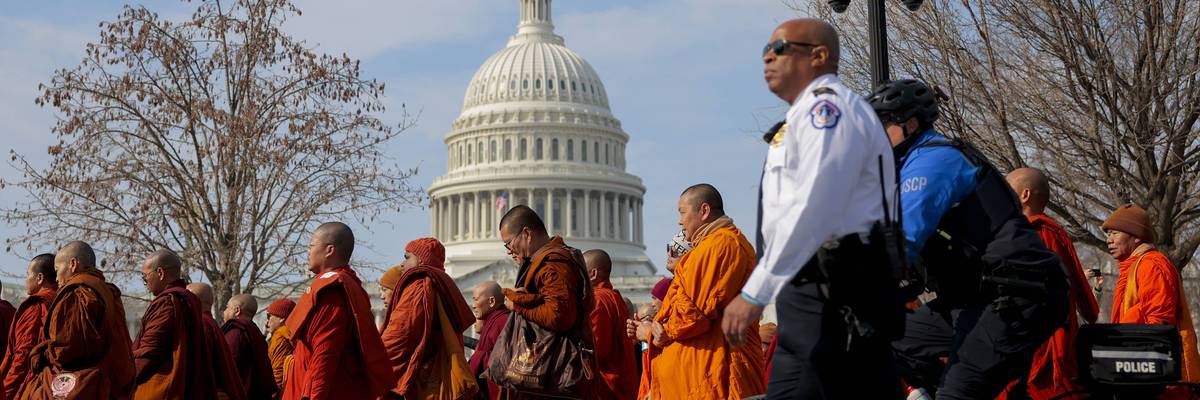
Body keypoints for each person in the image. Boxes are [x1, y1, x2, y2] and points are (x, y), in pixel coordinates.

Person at [720, 18, 903, 399]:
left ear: (819, 56)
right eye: (764, 51)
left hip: (837, 287)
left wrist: (756, 292)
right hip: (810, 287)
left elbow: (815, 207)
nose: (768, 57)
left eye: (780, 48)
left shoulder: (827, 111)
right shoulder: (801, 117)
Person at [867, 77, 1069, 399]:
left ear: (912, 124)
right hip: (972, 296)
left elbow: (901, 241)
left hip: (1017, 294)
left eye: (882, 125)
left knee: (958, 392)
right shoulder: (905, 169)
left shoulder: (933, 163)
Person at [644, 184, 765, 399]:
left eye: (682, 213)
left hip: (713, 372)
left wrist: (657, 332)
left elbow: (691, 315)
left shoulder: (719, 245)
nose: (680, 221)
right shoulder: (717, 245)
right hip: (706, 370)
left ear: (704, 211)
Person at [999, 168, 1098, 399]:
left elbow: (1048, 296)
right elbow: (1088, 306)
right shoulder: (1037, 232)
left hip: (1040, 351)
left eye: (1006, 189)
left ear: (1024, 195)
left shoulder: (1041, 234)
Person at [495, 205, 597, 399]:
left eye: (509, 243)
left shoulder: (553, 263)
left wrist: (517, 304)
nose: (509, 250)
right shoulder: (541, 261)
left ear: (526, 234)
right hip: (547, 372)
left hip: (554, 373)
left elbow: (559, 316)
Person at [284, 222, 393, 400]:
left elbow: (325, 351)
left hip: (326, 391)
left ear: (329, 250)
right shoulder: (349, 285)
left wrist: (314, 396)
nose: (308, 252)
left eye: (311, 246)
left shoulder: (332, 291)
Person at [1104, 204, 1200, 399]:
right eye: (1108, 234)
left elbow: (1158, 328)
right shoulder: (1133, 267)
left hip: (1159, 381)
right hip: (1139, 372)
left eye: (1114, 233)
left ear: (1136, 235)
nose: (1109, 240)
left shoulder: (1151, 265)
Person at [23, 241, 136, 399]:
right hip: (107, 382)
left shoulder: (77, 294)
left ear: (73, 264)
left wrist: (41, 354)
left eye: (57, 270)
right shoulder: (108, 292)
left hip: (82, 385)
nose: (56, 278)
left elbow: (65, 350)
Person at [133, 249, 245, 400]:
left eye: (145, 276)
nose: (145, 282)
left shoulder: (167, 303)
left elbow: (150, 351)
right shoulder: (186, 303)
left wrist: (124, 378)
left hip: (162, 389)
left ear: (160, 273)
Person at [379, 238, 477, 399]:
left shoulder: (419, 285)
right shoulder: (441, 283)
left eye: (407, 257)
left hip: (425, 383)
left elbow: (401, 333)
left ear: (421, 259)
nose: (402, 264)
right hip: (437, 377)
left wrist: (371, 363)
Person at [0, 254, 58, 398]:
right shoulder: (62, 301)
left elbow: (23, 357)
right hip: (53, 385)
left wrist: (5, 391)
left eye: (28, 275)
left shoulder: (35, 307)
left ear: (39, 278)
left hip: (29, 386)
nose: (26, 280)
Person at [584, 249, 638, 400]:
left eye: (580, 271)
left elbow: (595, 349)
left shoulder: (597, 300)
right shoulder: (615, 297)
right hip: (622, 386)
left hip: (607, 389)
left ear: (593, 274)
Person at [222, 293, 279, 399]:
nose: (224, 312)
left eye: (227, 308)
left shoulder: (236, 333)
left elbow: (227, 366)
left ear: (237, 310)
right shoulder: (254, 331)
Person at [469, 280, 510, 400]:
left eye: (476, 299)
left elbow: (504, 360)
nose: (473, 305)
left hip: (497, 389)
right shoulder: (492, 321)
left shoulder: (503, 322)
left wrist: (478, 358)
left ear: (491, 301)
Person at [265, 298, 296, 399]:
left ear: (281, 318)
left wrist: (272, 394)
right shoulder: (293, 333)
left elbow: (277, 370)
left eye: (269, 316)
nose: (267, 321)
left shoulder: (280, 335)